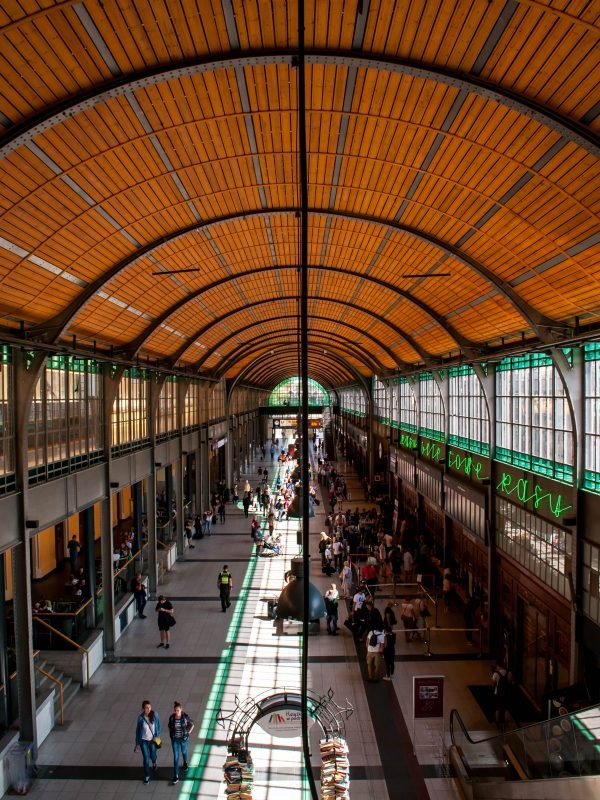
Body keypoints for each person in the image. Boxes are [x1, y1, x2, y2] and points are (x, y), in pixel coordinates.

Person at [168, 701, 194, 785]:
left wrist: (188, 733)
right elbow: (169, 726)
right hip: (175, 740)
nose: (177, 712)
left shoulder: (185, 717)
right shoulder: (172, 718)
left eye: (178, 710)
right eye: (175, 710)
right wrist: (171, 735)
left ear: (181, 710)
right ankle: (176, 776)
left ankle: (185, 763)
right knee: (176, 757)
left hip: (183, 739)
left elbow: (192, 724)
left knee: (184, 751)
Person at [135, 700, 161, 784]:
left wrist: (157, 737)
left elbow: (158, 727)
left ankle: (154, 762)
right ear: (143, 709)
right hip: (144, 741)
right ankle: (147, 776)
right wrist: (137, 743)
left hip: (153, 740)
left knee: (153, 755)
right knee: (146, 758)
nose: (149, 709)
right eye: (146, 708)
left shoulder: (155, 714)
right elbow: (138, 731)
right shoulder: (140, 718)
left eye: (149, 707)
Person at [365, 610, 386, 682]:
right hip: (377, 652)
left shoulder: (371, 632)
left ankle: (370, 677)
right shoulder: (382, 635)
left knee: (369, 665)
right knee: (377, 666)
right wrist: (381, 651)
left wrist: (368, 649)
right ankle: (376, 677)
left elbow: (367, 642)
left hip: (370, 651)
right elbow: (382, 646)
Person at [492, 661, 512, 728]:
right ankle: (505, 723)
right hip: (506, 693)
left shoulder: (496, 674)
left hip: (498, 693)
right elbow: (509, 683)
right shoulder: (509, 673)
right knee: (506, 708)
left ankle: (497, 723)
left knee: (497, 708)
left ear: (498, 666)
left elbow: (494, 684)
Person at [383, 604, 397, 680]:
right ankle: (392, 672)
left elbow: (385, 644)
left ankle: (388, 675)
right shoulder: (393, 635)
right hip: (392, 650)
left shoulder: (385, 636)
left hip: (387, 650)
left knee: (387, 663)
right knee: (392, 662)